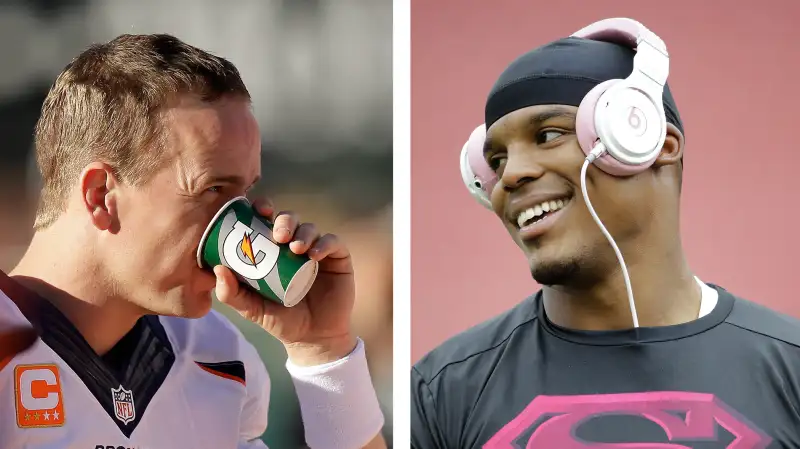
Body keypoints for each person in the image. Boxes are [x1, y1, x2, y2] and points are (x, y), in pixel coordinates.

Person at [411, 18, 800, 448]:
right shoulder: (443, 389)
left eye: (548, 134)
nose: (511, 176)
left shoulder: (791, 366)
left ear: (649, 141)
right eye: (497, 160)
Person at [0, 34, 386, 449]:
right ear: (100, 196)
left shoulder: (219, 357)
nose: (240, 224)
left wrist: (323, 353)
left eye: (244, 194)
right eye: (212, 189)